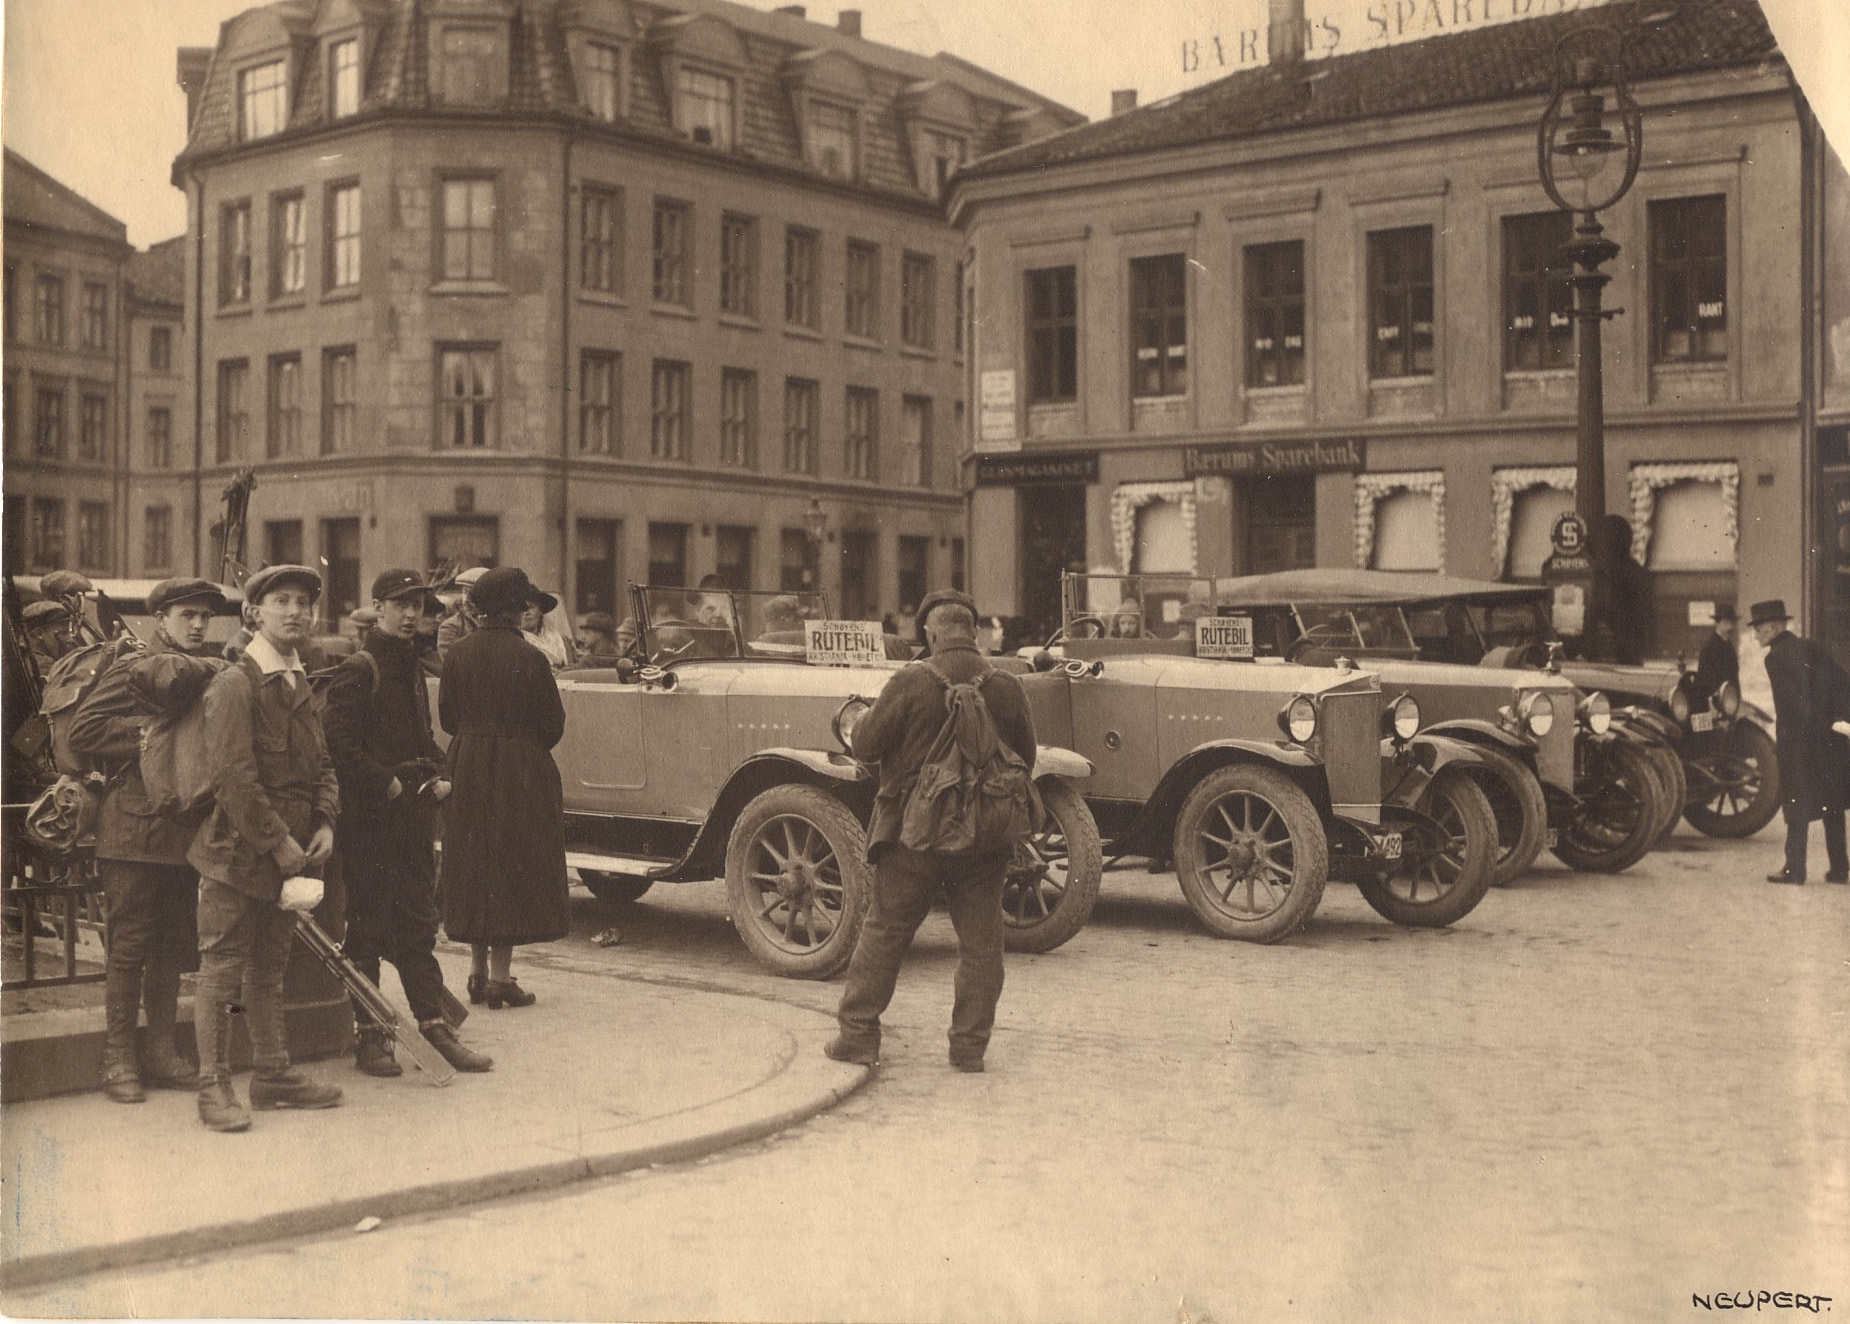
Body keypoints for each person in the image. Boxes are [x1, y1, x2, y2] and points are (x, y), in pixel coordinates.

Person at [825, 590, 1039, 1073]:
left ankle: (858, 1037)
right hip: (984, 840)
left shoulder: (910, 680)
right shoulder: (1005, 685)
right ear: (974, 631)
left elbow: (865, 745)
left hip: (911, 837)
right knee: (983, 947)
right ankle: (968, 1048)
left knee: (884, 933)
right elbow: (1026, 756)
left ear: (930, 633)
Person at [188, 564, 344, 1131]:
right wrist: (280, 843)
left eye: (304, 602)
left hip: (289, 857)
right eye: (283, 601)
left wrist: (325, 820)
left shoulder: (296, 679)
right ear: (255, 613)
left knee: (270, 970)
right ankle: (213, 1087)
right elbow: (233, 778)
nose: (297, 611)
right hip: (236, 856)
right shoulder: (236, 683)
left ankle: (273, 1075)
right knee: (223, 971)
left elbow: (322, 764)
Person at [324, 571, 492, 1076]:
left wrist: (442, 772)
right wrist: (387, 784)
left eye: (417, 605)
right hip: (371, 825)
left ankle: (435, 1029)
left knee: (419, 926)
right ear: (377, 609)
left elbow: (422, 739)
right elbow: (339, 746)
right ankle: (371, 1038)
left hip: (412, 823)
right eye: (400, 604)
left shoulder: (413, 668)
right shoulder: (361, 668)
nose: (411, 614)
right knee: (369, 929)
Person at [68, 578, 225, 1104]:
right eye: (187, 615)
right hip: (131, 829)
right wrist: (151, 733)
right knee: (129, 948)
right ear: (162, 620)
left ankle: (159, 1051)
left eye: (205, 616)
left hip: (181, 832)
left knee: (171, 948)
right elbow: (83, 731)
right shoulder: (137, 666)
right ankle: (117, 1058)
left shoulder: (201, 670)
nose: (198, 625)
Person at [439, 567, 570, 1007]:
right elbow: (553, 725)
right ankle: (500, 977)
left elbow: (448, 719)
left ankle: (475, 973)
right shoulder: (532, 658)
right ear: (517, 610)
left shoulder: (456, 654)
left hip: (468, 763)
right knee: (510, 862)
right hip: (520, 769)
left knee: (474, 859)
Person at [1753, 600, 1850, 885]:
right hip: (1829, 737)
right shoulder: (1812, 647)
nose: (1756, 636)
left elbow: (1791, 706)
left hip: (1798, 742)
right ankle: (1840, 868)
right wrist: (1835, 721)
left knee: (1796, 802)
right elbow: (1843, 683)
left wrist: (1793, 737)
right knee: (1832, 802)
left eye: (1758, 629)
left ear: (1773, 628)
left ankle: (1794, 869)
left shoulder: (1774, 658)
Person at [1689, 604, 1739, 707]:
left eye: (1731, 622)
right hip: (1708, 700)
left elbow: (1734, 674)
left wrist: (1737, 697)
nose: (1729, 626)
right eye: (1725, 622)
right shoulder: (1710, 646)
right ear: (1717, 623)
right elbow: (1705, 676)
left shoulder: (1729, 646)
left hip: (1728, 699)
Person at [436, 566, 489, 661]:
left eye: (474, 593)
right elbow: (453, 663)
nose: (467, 599)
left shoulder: (500, 623)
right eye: (465, 592)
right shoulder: (451, 627)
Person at [22, 599, 75, 671]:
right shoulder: (45, 666)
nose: (70, 639)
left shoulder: (26, 659)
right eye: (63, 633)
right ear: (39, 634)